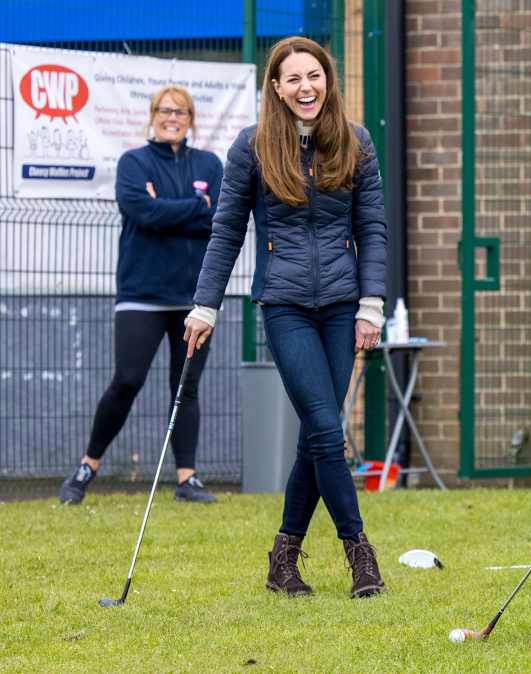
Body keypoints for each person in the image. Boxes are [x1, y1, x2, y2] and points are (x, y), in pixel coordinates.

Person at [183, 36, 388, 599]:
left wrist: (371, 304)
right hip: (285, 305)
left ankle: (283, 560)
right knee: (326, 428)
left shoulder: (357, 142)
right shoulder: (251, 147)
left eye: (314, 76)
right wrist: (205, 305)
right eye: (293, 78)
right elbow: (226, 231)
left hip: (345, 308)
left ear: (328, 82)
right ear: (276, 88)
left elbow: (372, 229)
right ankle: (361, 557)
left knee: (314, 437)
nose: (306, 87)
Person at [59, 86, 223, 505]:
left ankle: (187, 479)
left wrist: (171, 208)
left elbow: (218, 219)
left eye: (181, 111)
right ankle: (87, 466)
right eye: (166, 110)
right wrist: (194, 205)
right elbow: (141, 213)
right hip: (141, 296)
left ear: (191, 118)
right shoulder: (134, 162)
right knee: (127, 380)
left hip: (193, 300)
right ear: (153, 115)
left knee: (185, 386)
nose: (173, 117)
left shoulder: (210, 163)